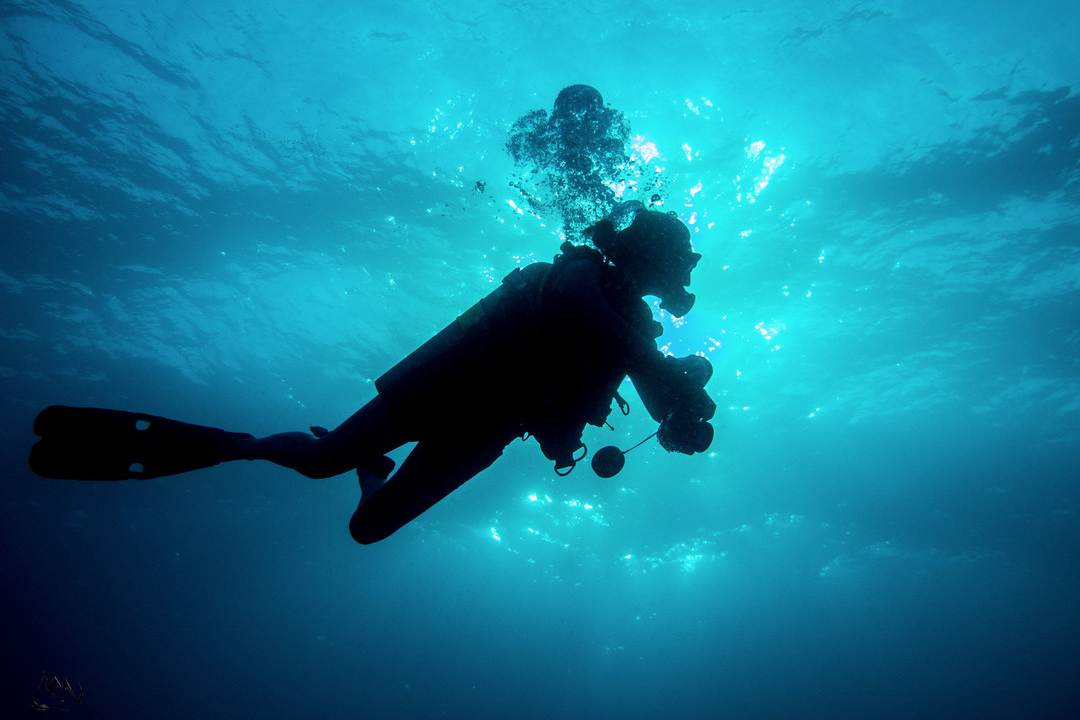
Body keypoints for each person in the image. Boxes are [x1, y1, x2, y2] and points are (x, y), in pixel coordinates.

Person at [29, 208, 716, 544]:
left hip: (490, 428)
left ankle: (374, 476)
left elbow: (653, 389)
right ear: (650, 250)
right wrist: (665, 375)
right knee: (323, 461)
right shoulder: (582, 273)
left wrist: (682, 422)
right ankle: (233, 444)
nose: (687, 267)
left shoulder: (636, 333)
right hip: (445, 385)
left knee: (369, 528)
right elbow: (581, 315)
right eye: (682, 253)